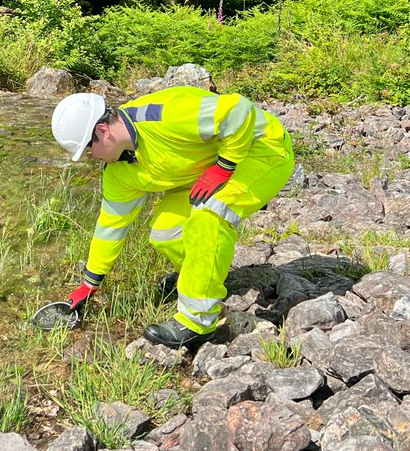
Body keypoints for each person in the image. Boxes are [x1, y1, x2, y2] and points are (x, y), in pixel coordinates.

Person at [50, 86, 294, 349]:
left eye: (88, 149)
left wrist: (225, 166)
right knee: (165, 232)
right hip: (206, 168)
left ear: (102, 131)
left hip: (262, 150)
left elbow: (238, 110)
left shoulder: (164, 115)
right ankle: (199, 279)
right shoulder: (119, 172)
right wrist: (89, 284)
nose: (90, 157)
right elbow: (110, 226)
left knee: (210, 213)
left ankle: (198, 322)